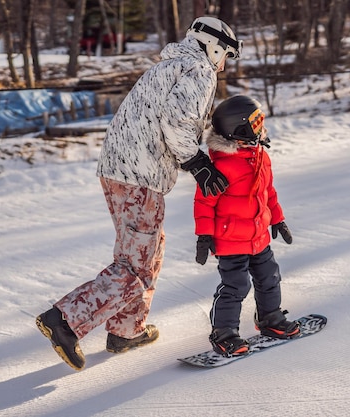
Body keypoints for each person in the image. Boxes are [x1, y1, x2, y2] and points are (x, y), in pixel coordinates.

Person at [35, 16, 242, 371]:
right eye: (226, 56)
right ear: (215, 46)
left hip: (119, 171)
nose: (223, 65)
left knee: (148, 250)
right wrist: (198, 162)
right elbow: (177, 122)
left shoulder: (169, 66)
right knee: (135, 265)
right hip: (140, 177)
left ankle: (127, 330)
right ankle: (65, 320)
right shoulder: (199, 70)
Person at [192, 95, 300, 357]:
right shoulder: (221, 166)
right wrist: (204, 236)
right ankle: (224, 332)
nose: (261, 126)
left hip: (259, 236)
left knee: (270, 277)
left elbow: (268, 192)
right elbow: (203, 202)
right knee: (236, 285)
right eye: (255, 121)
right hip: (231, 241)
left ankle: (270, 318)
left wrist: (278, 218)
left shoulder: (261, 156)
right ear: (237, 128)